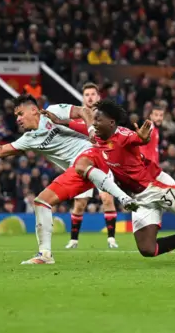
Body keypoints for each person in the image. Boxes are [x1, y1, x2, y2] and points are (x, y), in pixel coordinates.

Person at [43, 99, 175, 263]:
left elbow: (140, 139)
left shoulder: (125, 136)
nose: (93, 123)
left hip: (157, 186)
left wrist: (144, 138)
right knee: (148, 250)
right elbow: (77, 125)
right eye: (94, 119)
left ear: (111, 122)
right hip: (138, 198)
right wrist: (59, 121)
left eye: (98, 120)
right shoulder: (97, 134)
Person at [0, 94, 138, 265]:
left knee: (83, 165)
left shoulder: (54, 111)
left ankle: (123, 198)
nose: (18, 119)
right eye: (16, 116)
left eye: (20, 114)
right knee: (41, 202)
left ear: (33, 110)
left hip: (94, 152)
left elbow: (84, 111)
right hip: (80, 172)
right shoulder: (29, 138)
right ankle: (45, 254)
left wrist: (90, 130)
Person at [65, 83, 119, 249]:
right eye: (87, 94)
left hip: (102, 162)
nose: (90, 97)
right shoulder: (77, 116)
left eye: (93, 94)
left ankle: (111, 239)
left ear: (98, 97)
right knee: (80, 203)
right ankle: (73, 240)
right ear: (83, 98)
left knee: (107, 199)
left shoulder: (106, 116)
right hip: (82, 163)